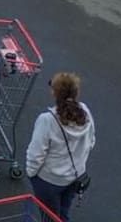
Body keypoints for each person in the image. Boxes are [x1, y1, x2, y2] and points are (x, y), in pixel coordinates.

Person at [26, 72, 95, 221]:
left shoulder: (47, 120)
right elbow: (91, 141)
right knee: (63, 214)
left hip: (49, 180)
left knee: (49, 217)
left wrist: (31, 173)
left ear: (54, 93)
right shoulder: (85, 112)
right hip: (74, 177)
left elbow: (36, 154)